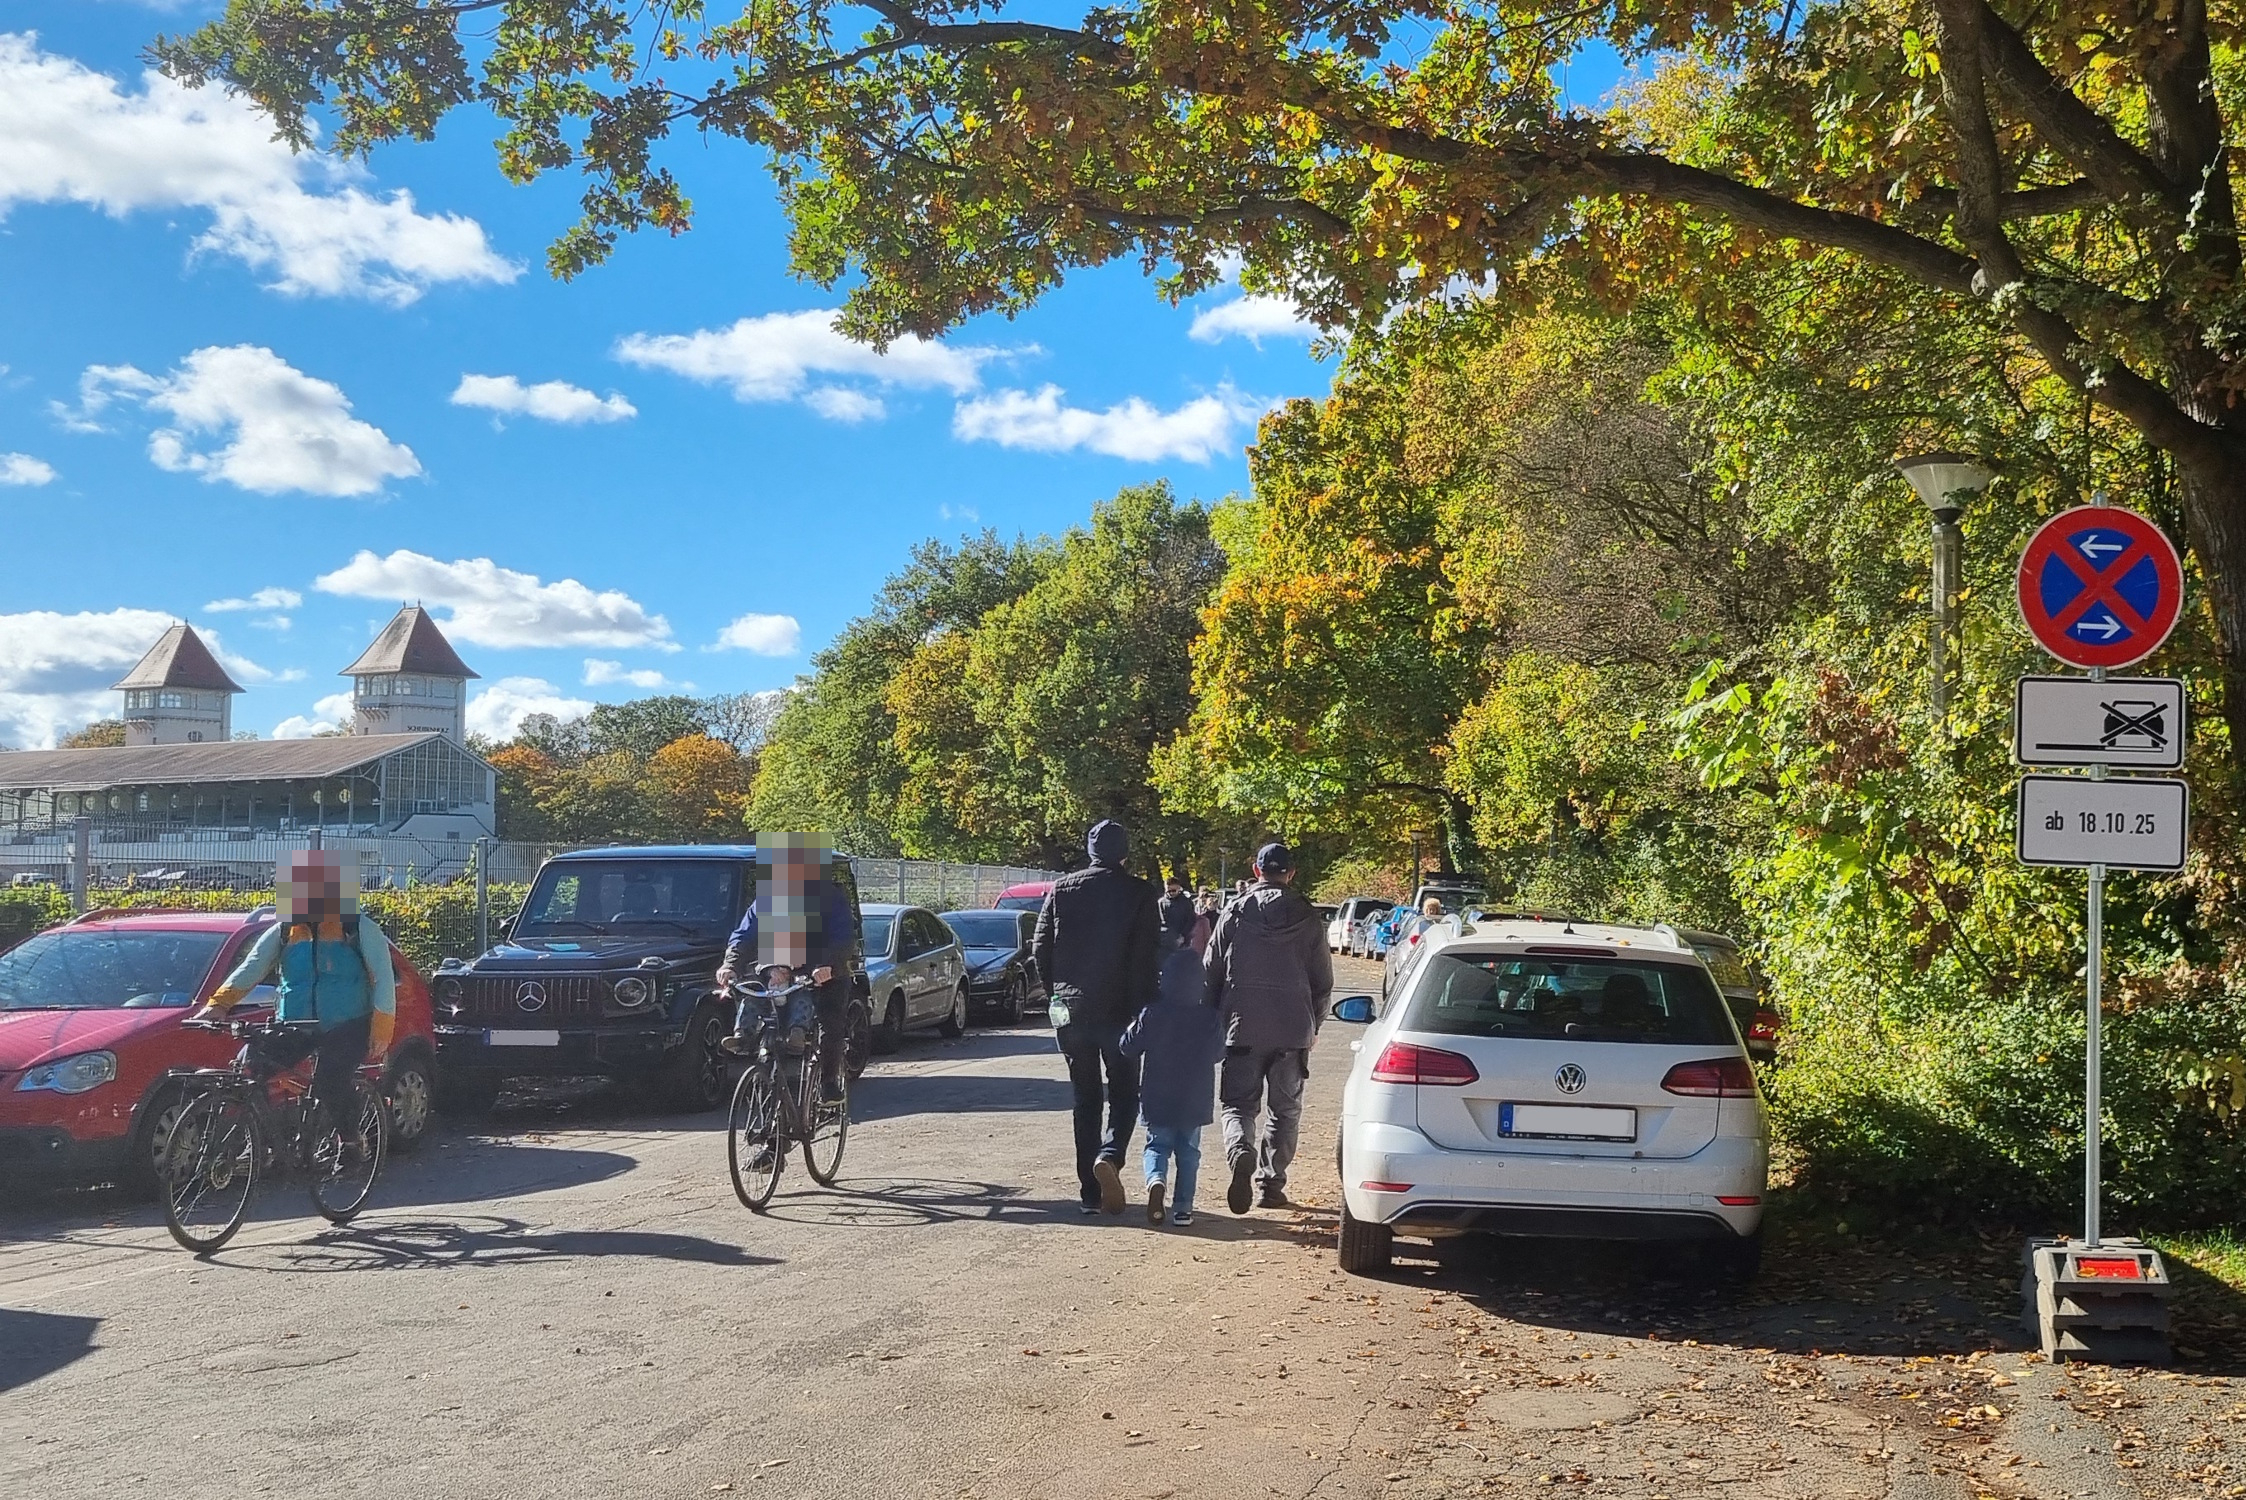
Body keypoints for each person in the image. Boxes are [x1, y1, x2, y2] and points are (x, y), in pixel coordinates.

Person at [194, 849, 396, 1162]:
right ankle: (264, 1139)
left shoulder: (358, 927)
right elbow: (252, 967)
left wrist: (381, 1030)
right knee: (249, 1066)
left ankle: (350, 1140)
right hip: (295, 1022)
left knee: (330, 1080)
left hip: (347, 1023)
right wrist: (219, 1004)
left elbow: (383, 979)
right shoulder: (284, 930)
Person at [1032, 819, 1160, 1214]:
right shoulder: (1140, 893)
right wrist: (1146, 1004)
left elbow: (1040, 948)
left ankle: (1089, 1192)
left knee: (1085, 1099)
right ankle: (1111, 1154)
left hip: (1072, 1011)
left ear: (1089, 852)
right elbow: (1148, 955)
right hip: (1122, 1011)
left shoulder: (1062, 890)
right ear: (1124, 854)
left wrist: (1055, 991)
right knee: (1124, 1094)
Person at [1203, 841, 1332, 1213]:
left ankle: (1239, 1149)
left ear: (1257, 870)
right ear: (1291, 873)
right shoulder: (1309, 918)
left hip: (1241, 1027)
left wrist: (1213, 1020)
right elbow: (1322, 983)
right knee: (1285, 1111)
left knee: (1237, 1107)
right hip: (1293, 1032)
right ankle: (1270, 1184)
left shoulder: (1234, 912)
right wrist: (1314, 1024)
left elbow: (1210, 972)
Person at [718, 834, 856, 1103]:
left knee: (830, 1023)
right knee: (755, 997)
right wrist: (730, 964)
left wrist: (826, 965)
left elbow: (843, 939)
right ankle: (747, 1042)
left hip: (825, 973)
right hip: (777, 971)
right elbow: (743, 935)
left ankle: (828, 1083)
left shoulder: (831, 897)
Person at [1120, 939, 1226, 1226]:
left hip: (1158, 1093)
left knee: (1157, 1146)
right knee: (1189, 1152)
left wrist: (1133, 1023)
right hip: (1195, 1096)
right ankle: (1183, 1209)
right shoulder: (1209, 1017)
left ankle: (1156, 1180)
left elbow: (1127, 1046)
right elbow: (1219, 1053)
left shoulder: (1153, 1013)